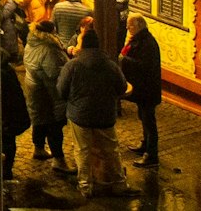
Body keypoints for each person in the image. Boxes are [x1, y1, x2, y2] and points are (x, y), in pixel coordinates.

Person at [55, 28, 131, 198]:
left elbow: (61, 90)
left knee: (82, 151)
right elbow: (122, 87)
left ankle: (85, 187)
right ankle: (119, 184)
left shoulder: (72, 65)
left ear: (83, 45)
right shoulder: (110, 65)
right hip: (105, 115)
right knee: (111, 151)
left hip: (79, 116)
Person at [23, 19, 69, 172]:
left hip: (34, 88)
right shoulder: (48, 49)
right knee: (54, 124)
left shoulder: (31, 43)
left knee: (39, 119)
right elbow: (55, 73)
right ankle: (58, 160)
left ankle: (39, 148)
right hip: (48, 93)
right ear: (51, 32)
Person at [120, 14, 163, 167]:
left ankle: (151, 155)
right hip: (143, 89)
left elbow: (144, 66)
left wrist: (123, 60)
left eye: (130, 25)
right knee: (143, 117)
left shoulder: (147, 44)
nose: (127, 28)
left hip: (147, 89)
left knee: (149, 121)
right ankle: (145, 145)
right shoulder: (140, 40)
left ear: (139, 25)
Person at [0, 34, 31, 185]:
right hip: (10, 117)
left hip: (5, 118)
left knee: (5, 144)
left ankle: (3, 173)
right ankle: (6, 171)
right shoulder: (8, 71)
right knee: (8, 144)